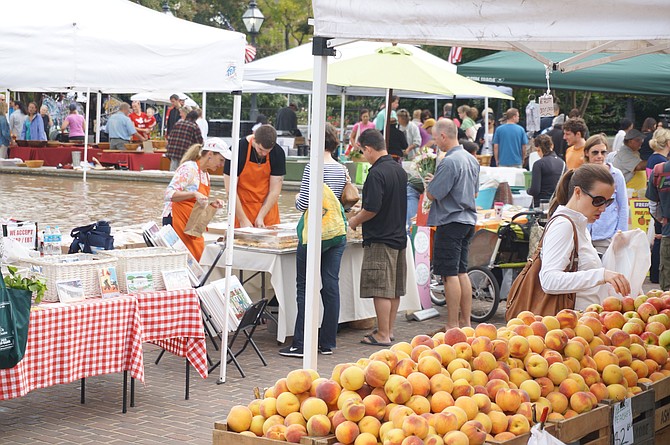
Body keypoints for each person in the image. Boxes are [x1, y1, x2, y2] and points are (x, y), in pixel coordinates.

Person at [279, 124, 348, 358]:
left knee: (304, 287)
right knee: (331, 287)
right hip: (336, 234)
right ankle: (328, 342)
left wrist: (298, 196)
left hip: (315, 235)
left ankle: (301, 343)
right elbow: (341, 202)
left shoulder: (312, 167)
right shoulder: (341, 169)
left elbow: (303, 204)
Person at [543, 164, 631, 311]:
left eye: (608, 202)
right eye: (598, 200)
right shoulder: (564, 225)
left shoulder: (579, 224)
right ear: (578, 192)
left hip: (585, 323)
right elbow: (549, 280)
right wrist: (601, 275)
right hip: (570, 325)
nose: (602, 208)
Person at [349, 129, 407, 346]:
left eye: (363, 151)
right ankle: (389, 330)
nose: (364, 156)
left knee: (381, 288)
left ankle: (382, 334)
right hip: (399, 236)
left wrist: (354, 220)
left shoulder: (376, 173)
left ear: (369, 149)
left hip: (381, 237)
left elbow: (371, 208)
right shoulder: (398, 170)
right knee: (393, 288)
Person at [425, 119, 479, 329]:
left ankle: (452, 325)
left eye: (436, 137)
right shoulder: (471, 159)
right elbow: (474, 192)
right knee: (461, 272)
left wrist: (430, 183)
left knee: (449, 275)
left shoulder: (449, 161)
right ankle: (465, 322)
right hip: (467, 220)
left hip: (450, 220)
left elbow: (433, 194)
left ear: (444, 136)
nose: (435, 141)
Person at [163, 139, 226, 261]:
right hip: (176, 221)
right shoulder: (189, 168)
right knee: (180, 261)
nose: (221, 165)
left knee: (196, 260)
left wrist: (212, 205)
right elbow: (168, 194)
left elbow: (197, 202)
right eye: (221, 160)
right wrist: (193, 194)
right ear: (210, 155)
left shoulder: (206, 174)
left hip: (191, 226)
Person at [224, 124, 286, 228]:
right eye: (260, 149)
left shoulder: (278, 153)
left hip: (267, 210)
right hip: (241, 209)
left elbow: (275, 190)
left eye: (268, 151)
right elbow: (230, 190)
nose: (264, 154)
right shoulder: (237, 150)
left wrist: (261, 216)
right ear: (254, 139)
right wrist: (242, 219)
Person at [582, 134, 628, 255]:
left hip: (607, 235)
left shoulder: (616, 175)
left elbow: (623, 206)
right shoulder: (582, 175)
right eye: (595, 152)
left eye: (603, 152)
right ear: (587, 153)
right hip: (585, 234)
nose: (599, 156)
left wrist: (619, 234)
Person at [646, 128, 670, 284]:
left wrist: (663, 221)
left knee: (666, 297)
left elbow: (653, 205)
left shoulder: (659, 171)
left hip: (668, 233)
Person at [527, 134, 565, 208]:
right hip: (556, 204)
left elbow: (535, 190)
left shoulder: (538, 164)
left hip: (540, 205)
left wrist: (528, 190)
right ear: (552, 146)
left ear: (538, 149)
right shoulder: (562, 163)